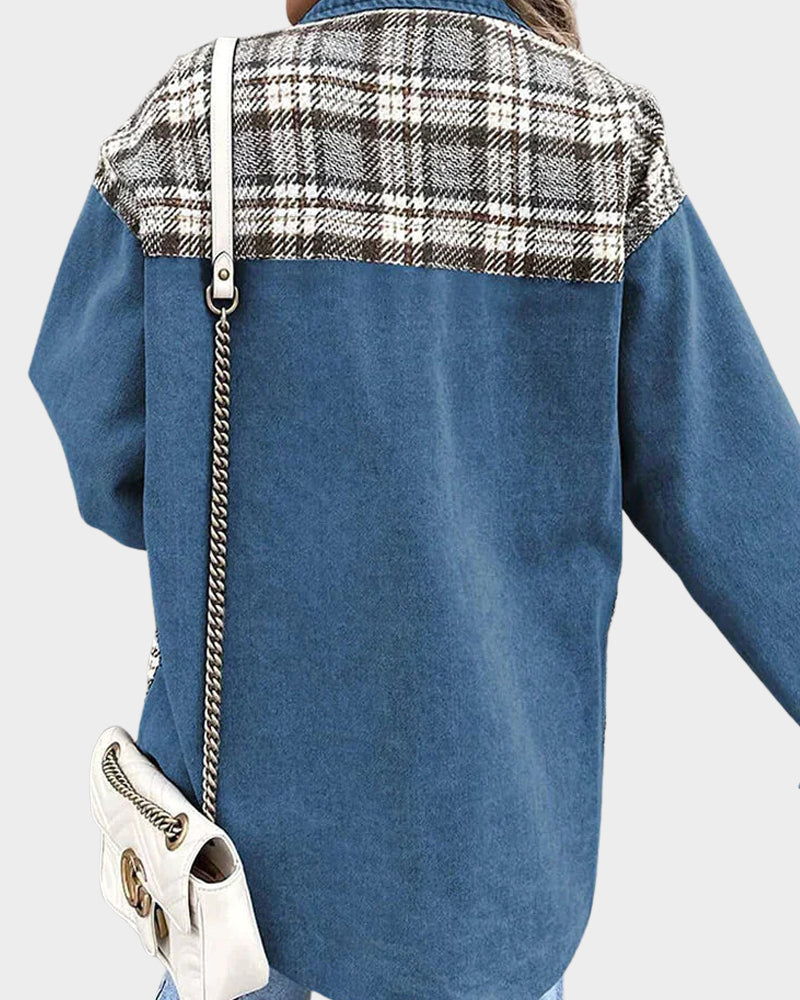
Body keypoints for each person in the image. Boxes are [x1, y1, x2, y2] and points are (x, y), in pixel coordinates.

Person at [30, 1, 800, 999]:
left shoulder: (194, 120)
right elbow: (746, 496)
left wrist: (262, 525)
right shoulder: (605, 145)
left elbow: (97, 438)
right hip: (492, 856)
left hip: (233, 847)